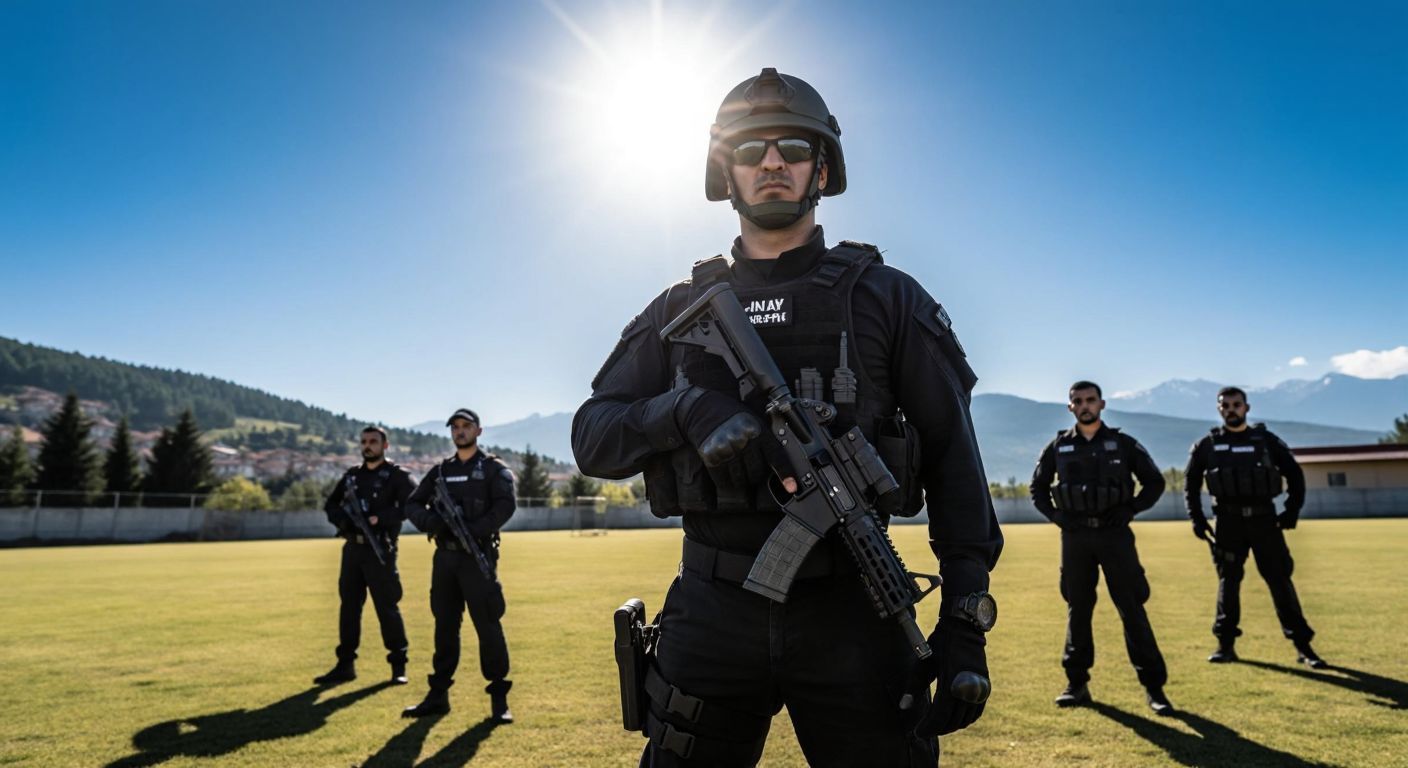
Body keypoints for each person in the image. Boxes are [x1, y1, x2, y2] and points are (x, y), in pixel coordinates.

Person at [572, 67, 1002, 767]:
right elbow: (593, 434)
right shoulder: (677, 308)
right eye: (750, 150)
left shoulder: (887, 298)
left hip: (854, 612)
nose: (771, 162)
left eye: (793, 148)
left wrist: (965, 621)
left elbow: (957, 464)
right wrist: (685, 409)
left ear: (823, 168)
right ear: (726, 172)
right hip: (712, 609)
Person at [1029, 382, 1172, 714]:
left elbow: (1155, 482)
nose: (1084, 405)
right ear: (1070, 408)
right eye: (1077, 401)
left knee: (1132, 608)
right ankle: (1076, 684)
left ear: (1102, 403)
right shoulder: (1058, 447)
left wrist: (1131, 509)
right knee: (1078, 609)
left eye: (1090, 400)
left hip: (1115, 536)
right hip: (1076, 537)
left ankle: (1155, 689)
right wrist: (1056, 516)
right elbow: (1037, 487)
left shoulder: (1123, 444)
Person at [1183, 386, 1324, 668]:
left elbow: (1295, 474)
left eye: (1236, 405)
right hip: (1228, 522)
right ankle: (1225, 645)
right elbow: (1191, 483)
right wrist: (1196, 519)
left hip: (1264, 521)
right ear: (1219, 409)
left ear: (1246, 408)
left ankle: (1303, 647)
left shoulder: (1266, 441)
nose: (1231, 409)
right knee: (1229, 583)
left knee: (1280, 582)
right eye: (1225, 405)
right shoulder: (1207, 445)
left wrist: (1292, 510)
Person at [402, 408, 518, 723]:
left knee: (488, 626)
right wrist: (435, 522)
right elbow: (412, 503)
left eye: (466, 426)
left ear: (478, 431)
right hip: (445, 559)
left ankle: (499, 699)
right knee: (445, 627)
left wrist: (475, 528)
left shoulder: (493, 469)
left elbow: (506, 506)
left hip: (477, 557)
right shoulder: (439, 472)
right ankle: (438, 696)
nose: (460, 431)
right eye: (455, 427)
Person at [314, 425, 416, 686]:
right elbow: (331, 505)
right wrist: (346, 522)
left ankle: (398, 666)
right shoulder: (352, 476)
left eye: (373, 441)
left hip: (380, 550)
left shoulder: (398, 477)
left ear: (385, 446)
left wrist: (380, 518)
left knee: (387, 607)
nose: (367, 445)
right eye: (364, 442)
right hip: (353, 550)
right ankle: (345, 665)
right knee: (349, 608)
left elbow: (413, 506)